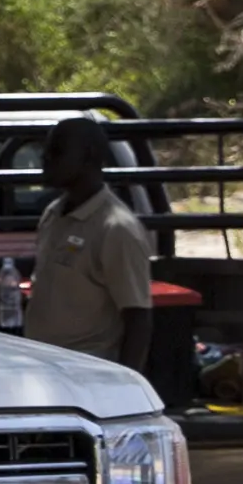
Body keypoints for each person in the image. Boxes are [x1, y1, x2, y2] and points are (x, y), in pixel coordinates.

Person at [19, 117, 159, 366]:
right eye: (46, 151)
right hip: (43, 360)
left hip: (87, 367)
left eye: (57, 151)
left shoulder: (116, 228)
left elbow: (138, 316)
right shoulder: (54, 213)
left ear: (89, 156)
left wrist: (125, 386)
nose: (46, 158)